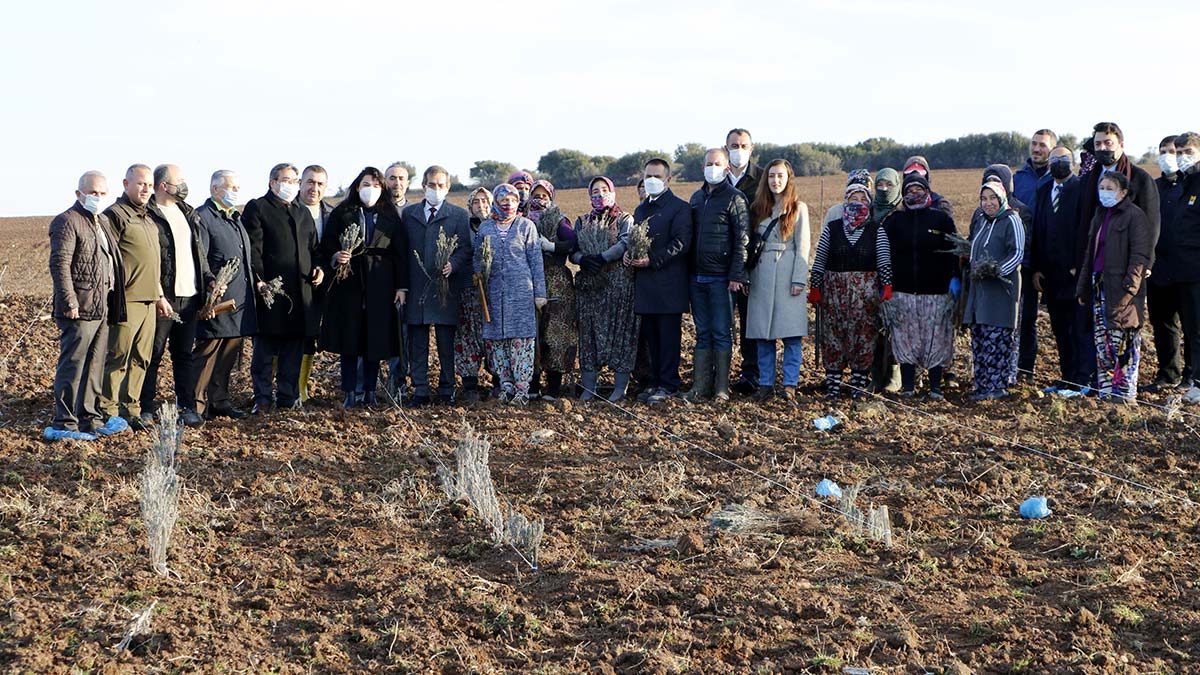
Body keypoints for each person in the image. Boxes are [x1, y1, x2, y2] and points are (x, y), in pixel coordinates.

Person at [46, 171, 127, 441]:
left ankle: (90, 418)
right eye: (93, 193)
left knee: (95, 365)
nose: (98, 197)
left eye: (102, 193)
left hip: (102, 305)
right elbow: (60, 265)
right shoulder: (67, 221)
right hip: (79, 307)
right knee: (74, 364)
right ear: (79, 193)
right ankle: (65, 421)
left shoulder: (102, 221)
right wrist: (69, 301)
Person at [242, 163, 325, 413]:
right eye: (286, 180)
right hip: (271, 290)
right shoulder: (258, 208)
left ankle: (288, 397)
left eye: (294, 181)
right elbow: (253, 249)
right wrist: (259, 279)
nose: (291, 185)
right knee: (265, 349)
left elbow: (314, 248)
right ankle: (263, 398)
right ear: (272, 183)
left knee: (293, 349)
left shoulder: (302, 212)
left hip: (300, 292)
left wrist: (319, 267)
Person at [320, 167, 404, 408]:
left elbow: (400, 252)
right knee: (350, 339)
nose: (371, 190)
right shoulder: (342, 212)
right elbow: (327, 244)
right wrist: (337, 256)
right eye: (367, 185)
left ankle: (370, 391)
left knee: (374, 339)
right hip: (349, 282)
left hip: (381, 282)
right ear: (357, 187)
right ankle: (349, 391)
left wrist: (401, 287)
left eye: (376, 186)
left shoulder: (389, 214)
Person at [808, 174, 892, 399]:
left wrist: (887, 286)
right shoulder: (832, 228)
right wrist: (815, 287)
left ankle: (858, 385)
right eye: (853, 198)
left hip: (865, 296)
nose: (858, 202)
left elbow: (884, 261)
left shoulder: (876, 230)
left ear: (869, 203)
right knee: (833, 337)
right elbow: (820, 260)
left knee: (864, 337)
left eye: (863, 199)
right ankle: (833, 386)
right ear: (846, 201)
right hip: (834, 294)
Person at [1075, 171, 1152, 403]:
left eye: (1110, 188)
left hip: (1122, 289)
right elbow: (1090, 255)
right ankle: (1106, 393)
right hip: (1099, 285)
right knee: (1102, 341)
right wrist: (1083, 287)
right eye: (1102, 188)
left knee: (1123, 340)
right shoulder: (1100, 215)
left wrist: (1130, 289)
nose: (1105, 193)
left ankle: (1124, 396)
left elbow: (1140, 256)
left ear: (1123, 192)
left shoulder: (1134, 216)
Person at [143, 164, 210, 427]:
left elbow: (198, 253)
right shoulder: (149, 214)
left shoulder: (187, 212)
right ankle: (145, 408)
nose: (183, 184)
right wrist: (157, 293)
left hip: (189, 297)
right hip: (163, 297)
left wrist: (209, 279)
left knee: (183, 355)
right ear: (163, 185)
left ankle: (187, 407)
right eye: (179, 180)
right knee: (153, 354)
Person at [400, 166, 472, 406]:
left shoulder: (458, 215)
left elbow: (465, 249)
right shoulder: (409, 214)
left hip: (445, 290)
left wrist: (453, 264)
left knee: (445, 343)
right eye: (432, 185)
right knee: (417, 343)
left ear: (448, 187)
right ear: (423, 186)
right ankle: (420, 390)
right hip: (417, 288)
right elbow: (402, 250)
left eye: (441, 185)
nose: (436, 189)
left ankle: (447, 389)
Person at [884, 172, 960, 398]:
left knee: (936, 339)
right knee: (906, 338)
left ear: (927, 191)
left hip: (936, 292)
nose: (914, 193)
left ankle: (935, 387)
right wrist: (885, 283)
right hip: (903, 292)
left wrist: (954, 278)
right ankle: (908, 386)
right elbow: (884, 254)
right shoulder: (894, 221)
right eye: (909, 190)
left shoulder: (941, 220)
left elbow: (953, 251)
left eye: (918, 189)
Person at [100, 164, 164, 430]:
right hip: (126, 299)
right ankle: (108, 410)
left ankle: (132, 409)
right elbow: (106, 257)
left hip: (149, 299)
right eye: (140, 184)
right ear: (126, 184)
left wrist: (159, 295)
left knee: (141, 357)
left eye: (149, 185)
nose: (146, 189)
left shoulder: (148, 218)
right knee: (118, 355)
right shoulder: (115, 215)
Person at [474, 183, 547, 404]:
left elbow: (536, 261)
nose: (509, 204)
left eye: (513, 200)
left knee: (521, 342)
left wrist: (539, 293)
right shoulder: (486, 228)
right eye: (504, 200)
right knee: (498, 342)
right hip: (494, 295)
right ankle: (505, 386)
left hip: (521, 294)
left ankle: (522, 389)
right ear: (496, 202)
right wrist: (478, 279)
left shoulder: (526, 226)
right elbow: (478, 258)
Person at [686, 148, 749, 402]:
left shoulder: (735, 198)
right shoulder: (696, 198)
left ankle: (721, 387)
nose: (713, 168)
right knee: (702, 332)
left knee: (722, 331)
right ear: (703, 168)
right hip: (697, 277)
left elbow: (742, 240)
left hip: (722, 278)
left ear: (726, 169)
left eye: (718, 163)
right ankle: (700, 385)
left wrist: (737, 274)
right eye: (709, 164)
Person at [193, 170, 256, 420]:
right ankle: (196, 405)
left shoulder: (235, 217)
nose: (235, 192)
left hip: (238, 301)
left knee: (228, 355)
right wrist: (210, 284)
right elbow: (201, 258)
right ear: (215, 189)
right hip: (216, 300)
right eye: (230, 187)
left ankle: (219, 401)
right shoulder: (204, 217)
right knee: (207, 355)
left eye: (238, 188)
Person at [746, 159, 811, 403]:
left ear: (788, 178)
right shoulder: (758, 208)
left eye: (780, 175)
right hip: (761, 276)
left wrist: (799, 279)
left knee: (792, 336)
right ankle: (765, 384)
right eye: (772, 176)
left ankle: (790, 385)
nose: (776, 180)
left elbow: (803, 246)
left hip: (787, 275)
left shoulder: (798, 208)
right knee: (764, 336)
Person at [629, 158, 692, 404]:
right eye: (648, 176)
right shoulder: (641, 210)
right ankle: (655, 382)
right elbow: (636, 239)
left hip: (668, 285)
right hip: (646, 285)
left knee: (668, 339)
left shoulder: (679, 208)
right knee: (651, 339)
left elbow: (681, 243)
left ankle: (669, 384)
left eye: (657, 176)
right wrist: (630, 255)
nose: (652, 180)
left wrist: (652, 260)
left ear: (668, 179)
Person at [571, 176, 639, 402]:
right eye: (595, 192)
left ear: (612, 192)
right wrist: (583, 260)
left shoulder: (625, 218)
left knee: (620, 334)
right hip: (590, 288)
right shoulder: (582, 221)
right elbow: (573, 249)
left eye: (604, 190)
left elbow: (625, 242)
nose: (600, 195)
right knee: (589, 335)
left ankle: (619, 388)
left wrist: (602, 257)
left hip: (618, 285)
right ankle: (589, 387)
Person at [1031, 147, 1089, 390]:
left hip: (1074, 274)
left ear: (1073, 162)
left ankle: (1082, 379)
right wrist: (1036, 267)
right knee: (1060, 329)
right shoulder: (1044, 190)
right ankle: (1067, 376)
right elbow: (1038, 230)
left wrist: (1079, 265)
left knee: (1078, 328)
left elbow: (1086, 229)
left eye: (1064, 158)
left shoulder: (1082, 189)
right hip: (1051, 275)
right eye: (1055, 159)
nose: (1059, 162)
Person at [963, 180, 1025, 401]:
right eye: (984, 199)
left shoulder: (1012, 220)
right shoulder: (982, 221)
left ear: (1001, 199)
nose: (988, 203)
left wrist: (996, 270)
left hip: (1001, 293)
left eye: (992, 198)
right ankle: (982, 386)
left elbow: (1017, 254)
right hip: (981, 292)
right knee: (980, 338)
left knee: (997, 339)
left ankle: (997, 387)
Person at [1144, 135, 1191, 393]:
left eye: (1172, 151)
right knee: (1162, 324)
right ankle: (1168, 373)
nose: (1167, 156)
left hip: (1186, 269)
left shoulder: (1190, 186)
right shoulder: (1154, 187)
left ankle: (1191, 375)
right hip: (1159, 268)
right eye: (1162, 151)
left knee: (1191, 325)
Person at [527, 179, 577, 401]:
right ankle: (532, 385)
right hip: (529, 281)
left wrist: (552, 246)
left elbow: (574, 243)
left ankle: (553, 388)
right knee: (533, 332)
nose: (540, 200)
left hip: (557, 282)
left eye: (544, 196)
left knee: (555, 334)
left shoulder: (559, 220)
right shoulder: (523, 220)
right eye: (536, 195)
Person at [725, 128, 762, 394]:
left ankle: (751, 374)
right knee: (722, 322)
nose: (739, 150)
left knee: (751, 322)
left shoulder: (761, 179)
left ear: (751, 148)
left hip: (753, 262)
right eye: (734, 145)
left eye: (743, 145)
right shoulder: (717, 177)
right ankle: (720, 375)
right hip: (722, 263)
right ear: (726, 148)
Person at [1166, 133, 1200, 404]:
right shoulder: (1185, 183)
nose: (1182, 157)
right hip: (1183, 271)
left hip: (1197, 270)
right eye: (1178, 152)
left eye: (1188, 152)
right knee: (1191, 329)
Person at [297, 165, 332, 403]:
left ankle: (302, 389)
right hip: (293, 283)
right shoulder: (291, 209)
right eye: (310, 182)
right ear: (300, 183)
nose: (314, 188)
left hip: (319, 285)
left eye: (320, 184)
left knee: (310, 336)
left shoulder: (331, 214)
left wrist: (323, 268)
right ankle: (279, 386)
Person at [456, 187, 495, 402]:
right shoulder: (463, 227)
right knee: (467, 335)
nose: (481, 206)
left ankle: (498, 379)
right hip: (468, 290)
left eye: (485, 201)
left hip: (493, 292)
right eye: (476, 202)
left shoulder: (498, 225)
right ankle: (470, 384)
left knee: (493, 335)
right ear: (470, 206)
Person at [382, 161, 412, 399]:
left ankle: (397, 382)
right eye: (392, 178)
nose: (397, 183)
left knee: (403, 336)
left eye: (401, 178)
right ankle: (367, 386)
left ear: (408, 183)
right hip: (379, 281)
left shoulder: (412, 213)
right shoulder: (376, 210)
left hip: (406, 285)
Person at [1013, 129, 1057, 207]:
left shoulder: (1058, 179)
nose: (1036, 149)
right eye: (1034, 144)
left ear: (1053, 149)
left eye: (1042, 145)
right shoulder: (1016, 179)